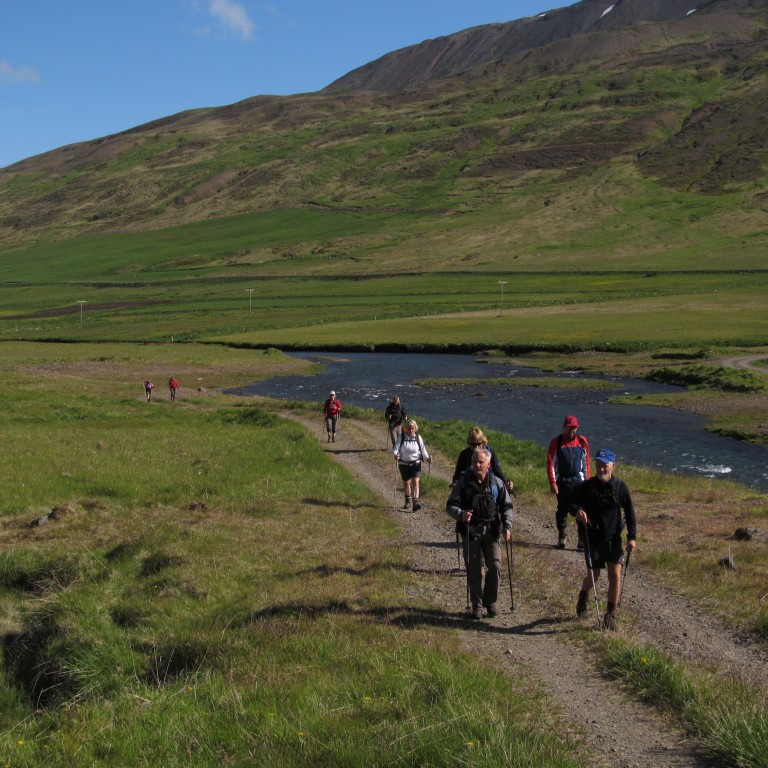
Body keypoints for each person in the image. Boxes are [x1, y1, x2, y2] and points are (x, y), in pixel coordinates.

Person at [569, 448, 637, 631]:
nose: (601, 469)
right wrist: (577, 511)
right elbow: (571, 504)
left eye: (604, 466)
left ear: (613, 466)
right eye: (598, 465)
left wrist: (632, 537)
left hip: (613, 539)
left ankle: (610, 616)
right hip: (592, 538)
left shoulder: (620, 488)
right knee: (594, 575)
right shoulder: (587, 486)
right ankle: (583, 596)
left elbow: (630, 513)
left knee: (615, 576)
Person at [446, 447, 514, 620]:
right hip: (470, 532)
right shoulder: (463, 483)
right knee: (474, 569)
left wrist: (507, 526)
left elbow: (507, 506)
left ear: (488, 464)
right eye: (475, 462)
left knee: (495, 566)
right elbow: (450, 505)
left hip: (492, 531)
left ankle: (490, 601)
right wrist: (461, 514)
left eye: (481, 462)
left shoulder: (496, 483)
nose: (477, 465)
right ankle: (477, 606)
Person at [546, 415, 590, 549]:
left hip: (578, 481)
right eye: (569, 427)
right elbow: (550, 463)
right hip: (562, 481)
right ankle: (562, 537)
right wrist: (552, 482)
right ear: (564, 427)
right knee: (562, 509)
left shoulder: (582, 441)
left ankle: (581, 538)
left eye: (574, 427)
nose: (572, 430)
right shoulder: (556, 442)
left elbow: (586, 462)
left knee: (581, 509)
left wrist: (587, 482)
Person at [452, 426, 514, 493]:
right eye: (473, 444)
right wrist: (455, 483)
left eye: (478, 443)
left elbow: (497, 470)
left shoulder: (490, 452)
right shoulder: (464, 454)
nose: (476, 447)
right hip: (470, 486)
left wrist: (506, 482)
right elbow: (457, 474)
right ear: (469, 443)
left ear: (483, 441)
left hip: (489, 485)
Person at [394, 419, 431, 511]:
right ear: (406, 428)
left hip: (416, 463)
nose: (411, 430)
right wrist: (396, 455)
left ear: (415, 428)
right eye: (409, 428)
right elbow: (396, 448)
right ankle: (408, 501)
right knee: (406, 482)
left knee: (415, 482)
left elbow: (423, 450)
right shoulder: (401, 437)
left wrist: (427, 459)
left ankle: (415, 503)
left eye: (413, 428)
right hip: (403, 463)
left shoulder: (418, 438)